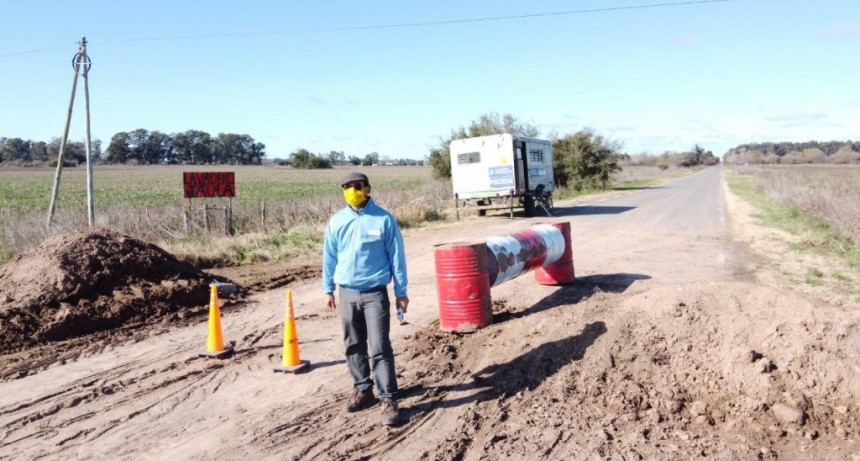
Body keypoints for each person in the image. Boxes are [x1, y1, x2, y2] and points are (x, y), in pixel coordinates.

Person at [322, 172, 409, 426]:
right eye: (346, 187)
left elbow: (397, 257)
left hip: (375, 294)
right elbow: (329, 256)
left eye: (357, 186)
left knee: (380, 346)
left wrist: (401, 292)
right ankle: (363, 388)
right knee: (353, 344)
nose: (352, 191)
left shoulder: (384, 219)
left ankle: (388, 399)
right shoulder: (337, 221)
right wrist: (327, 288)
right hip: (347, 292)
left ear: (368, 189)